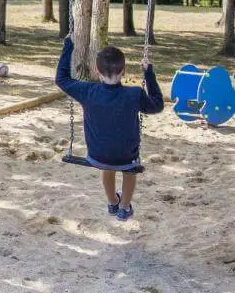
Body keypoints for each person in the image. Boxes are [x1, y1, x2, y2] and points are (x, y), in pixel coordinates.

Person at [55, 36, 165, 221]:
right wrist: (149, 74)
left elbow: (61, 79)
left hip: (98, 156)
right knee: (130, 170)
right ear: (123, 70)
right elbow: (157, 105)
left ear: (97, 71)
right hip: (126, 157)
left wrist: (68, 47)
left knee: (108, 166)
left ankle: (112, 202)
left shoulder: (88, 91)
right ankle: (124, 208)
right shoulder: (134, 94)